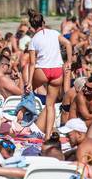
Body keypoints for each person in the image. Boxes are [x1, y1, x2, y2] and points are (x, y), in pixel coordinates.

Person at [26, 9, 72, 140]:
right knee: (50, 105)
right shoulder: (54, 33)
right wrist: (68, 61)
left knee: (27, 92)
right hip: (57, 71)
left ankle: (20, 119)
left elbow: (32, 64)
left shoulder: (33, 40)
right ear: (43, 22)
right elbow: (68, 44)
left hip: (43, 71)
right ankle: (47, 136)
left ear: (32, 26)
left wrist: (29, 82)